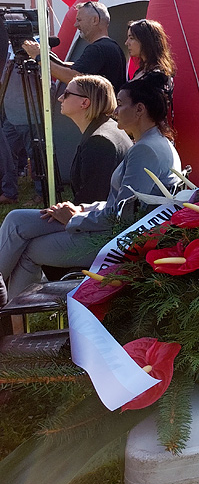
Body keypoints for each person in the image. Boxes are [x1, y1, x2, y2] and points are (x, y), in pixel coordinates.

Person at [0, 73, 181, 302]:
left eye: (121, 104)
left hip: (115, 241)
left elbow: (123, 217)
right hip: (109, 227)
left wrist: (75, 219)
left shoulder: (146, 150)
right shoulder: (153, 143)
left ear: (140, 109)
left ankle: (15, 321)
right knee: (17, 220)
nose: (115, 111)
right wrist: (84, 208)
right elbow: (123, 204)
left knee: (29, 248)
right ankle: (13, 318)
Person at [22, 0, 126, 90]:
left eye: (79, 20)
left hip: (101, 112)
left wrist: (39, 57)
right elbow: (80, 68)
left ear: (95, 20)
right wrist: (48, 57)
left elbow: (74, 78)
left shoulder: (98, 49)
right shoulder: (113, 47)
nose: (75, 25)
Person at [60, 74, 132, 204]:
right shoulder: (109, 127)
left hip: (99, 219)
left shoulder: (99, 141)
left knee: (16, 218)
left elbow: (92, 198)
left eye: (66, 94)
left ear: (85, 102)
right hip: (104, 214)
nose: (60, 98)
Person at [125, 18, 175, 105]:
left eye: (131, 38)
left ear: (145, 41)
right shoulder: (141, 71)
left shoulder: (157, 76)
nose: (127, 43)